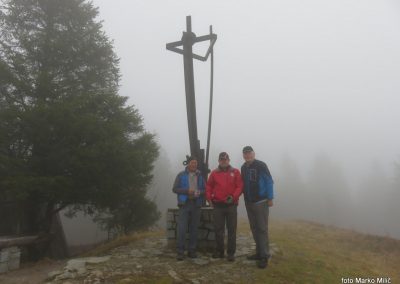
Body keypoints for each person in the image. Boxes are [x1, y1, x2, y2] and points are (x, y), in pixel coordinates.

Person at [241, 146, 274, 269]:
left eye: (249, 153)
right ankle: (259, 252)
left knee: (262, 229)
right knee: (254, 228)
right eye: (245, 154)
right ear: (243, 155)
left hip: (261, 202)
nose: (247, 155)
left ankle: (265, 256)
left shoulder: (261, 165)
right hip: (249, 202)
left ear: (253, 154)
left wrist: (270, 198)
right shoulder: (243, 168)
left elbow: (269, 181)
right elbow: (242, 184)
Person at [206, 152, 243, 261]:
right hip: (217, 205)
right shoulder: (214, 173)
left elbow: (240, 186)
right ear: (219, 161)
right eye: (222, 159)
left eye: (225, 159)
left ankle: (231, 253)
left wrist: (233, 196)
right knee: (218, 230)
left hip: (231, 205)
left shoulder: (235, 172)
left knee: (232, 230)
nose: (224, 161)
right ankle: (220, 251)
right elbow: (208, 186)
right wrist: (209, 199)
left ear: (229, 160)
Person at [172, 156, 206, 261]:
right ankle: (180, 252)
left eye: (195, 163)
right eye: (192, 162)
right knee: (182, 228)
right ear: (188, 164)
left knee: (194, 228)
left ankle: (192, 250)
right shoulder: (181, 175)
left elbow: (205, 189)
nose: (194, 164)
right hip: (184, 204)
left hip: (196, 204)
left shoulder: (200, 176)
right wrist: (187, 191)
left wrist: (200, 192)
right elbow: (174, 189)